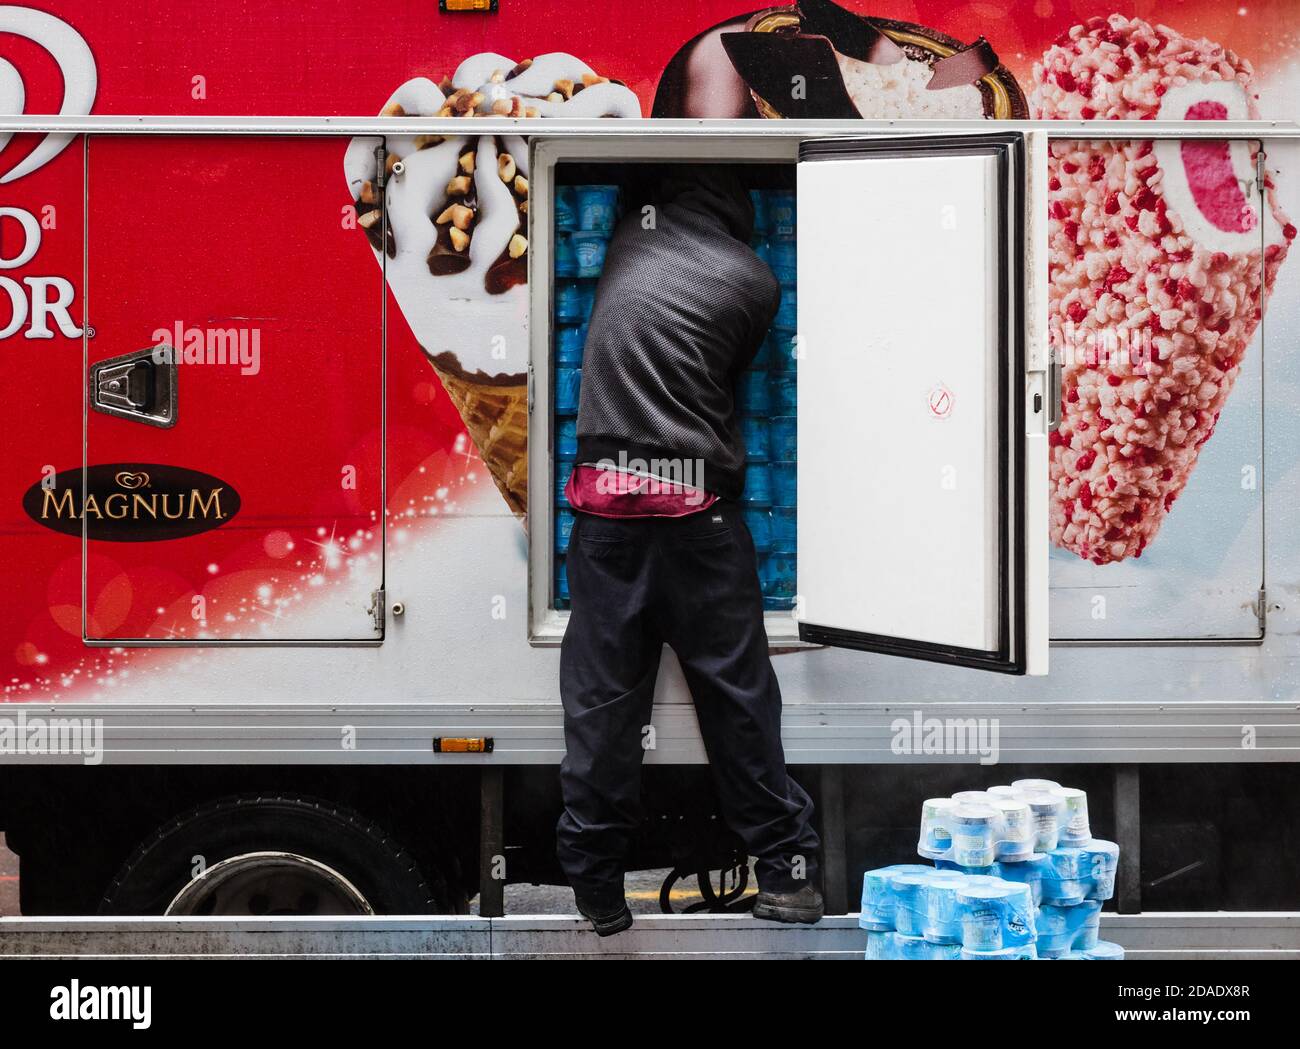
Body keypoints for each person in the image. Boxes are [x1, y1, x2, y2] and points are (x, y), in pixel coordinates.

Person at [556, 164, 822, 936]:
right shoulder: (754, 282)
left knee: (604, 703)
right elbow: (727, 380)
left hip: (607, 512)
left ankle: (599, 888)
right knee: (737, 698)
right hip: (699, 512)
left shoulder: (619, 249)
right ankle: (785, 872)